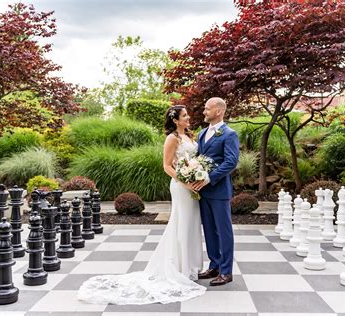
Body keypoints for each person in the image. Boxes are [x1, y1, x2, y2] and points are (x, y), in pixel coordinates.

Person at [77, 105, 206, 305]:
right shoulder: (172, 138)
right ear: (175, 120)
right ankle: (179, 268)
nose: (189, 117)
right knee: (181, 223)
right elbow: (166, 166)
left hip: (192, 186)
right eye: (185, 115)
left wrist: (198, 173)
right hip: (181, 187)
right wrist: (185, 180)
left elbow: (193, 160)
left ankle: (190, 266)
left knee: (191, 224)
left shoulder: (189, 136)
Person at [192, 97, 240, 286]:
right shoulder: (202, 133)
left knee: (224, 231)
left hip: (219, 190)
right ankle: (214, 265)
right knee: (210, 230)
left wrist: (209, 178)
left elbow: (231, 162)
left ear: (218, 111)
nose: (204, 111)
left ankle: (226, 272)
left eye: (207, 108)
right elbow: (199, 157)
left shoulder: (229, 134)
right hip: (203, 192)